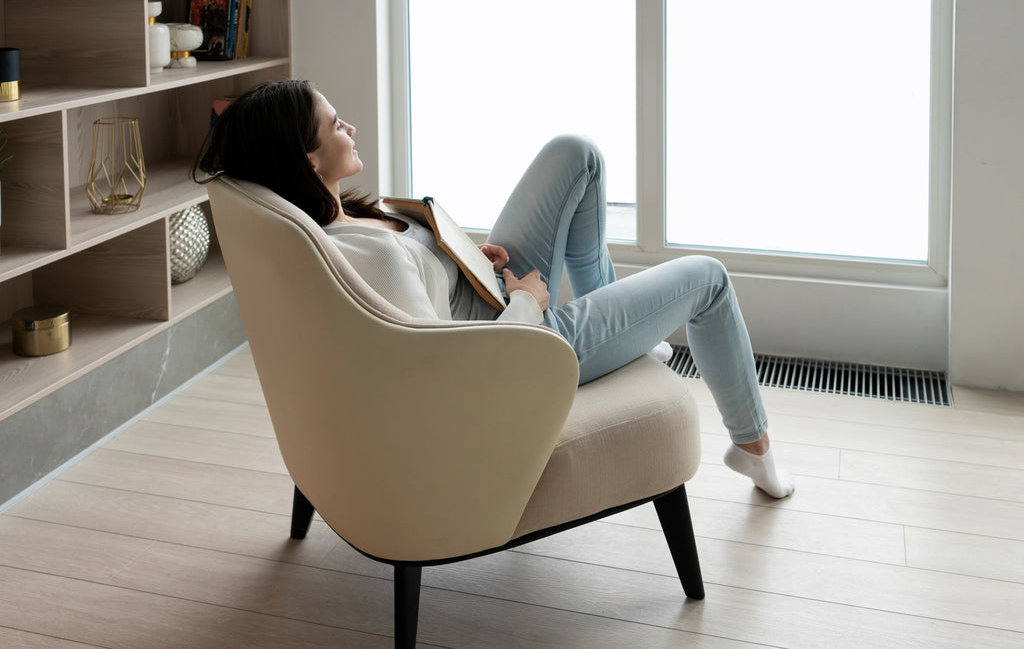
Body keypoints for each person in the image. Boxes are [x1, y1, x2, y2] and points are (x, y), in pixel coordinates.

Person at [192, 79, 795, 499]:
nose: (349, 127)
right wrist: (529, 299)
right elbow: (455, 371)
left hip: (486, 292)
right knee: (709, 279)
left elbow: (418, 290)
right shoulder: (367, 255)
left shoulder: (343, 216)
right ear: (307, 159)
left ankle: (634, 339)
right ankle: (754, 448)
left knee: (577, 154)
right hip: (520, 343)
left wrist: (460, 259)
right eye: (334, 124)